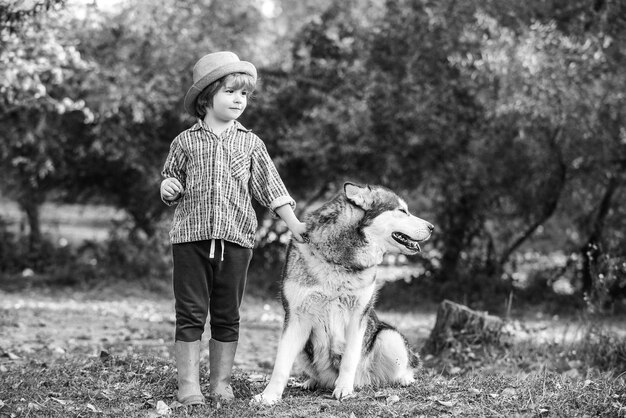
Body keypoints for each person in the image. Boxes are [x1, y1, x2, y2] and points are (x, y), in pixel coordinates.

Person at [160, 51, 307, 406]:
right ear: (207, 97)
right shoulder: (185, 142)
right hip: (190, 240)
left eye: (244, 94)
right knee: (191, 312)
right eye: (230, 91)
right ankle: (188, 385)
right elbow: (170, 178)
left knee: (228, 313)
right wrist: (167, 188)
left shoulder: (251, 143)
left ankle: (220, 383)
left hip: (236, 240)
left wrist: (294, 225)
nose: (240, 99)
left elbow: (272, 189)